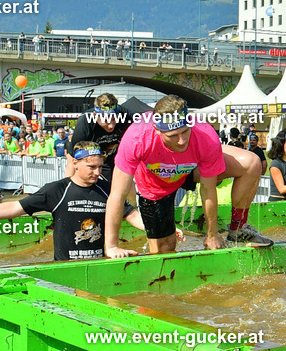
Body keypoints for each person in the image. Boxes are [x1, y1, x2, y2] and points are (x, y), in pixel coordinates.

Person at [104, 94, 272, 257]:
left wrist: (212, 234)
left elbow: (208, 188)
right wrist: (111, 246)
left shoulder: (205, 134)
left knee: (251, 163)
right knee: (165, 250)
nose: (181, 141)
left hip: (191, 169)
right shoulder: (136, 138)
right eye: (173, 136)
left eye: (185, 132)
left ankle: (238, 229)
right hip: (155, 184)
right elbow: (117, 195)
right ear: (156, 130)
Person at [0, 142, 146, 261]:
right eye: (91, 166)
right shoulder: (57, 190)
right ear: (75, 164)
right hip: (64, 266)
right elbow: (15, 207)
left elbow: (132, 215)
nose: (97, 172)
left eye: (100, 167)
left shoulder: (105, 189)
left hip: (98, 263)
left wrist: (161, 229)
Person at [67, 93, 132, 183]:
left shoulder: (127, 115)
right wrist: (67, 186)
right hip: (93, 157)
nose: (111, 125)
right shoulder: (85, 121)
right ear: (95, 115)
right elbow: (72, 158)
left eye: (114, 119)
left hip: (115, 157)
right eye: (106, 120)